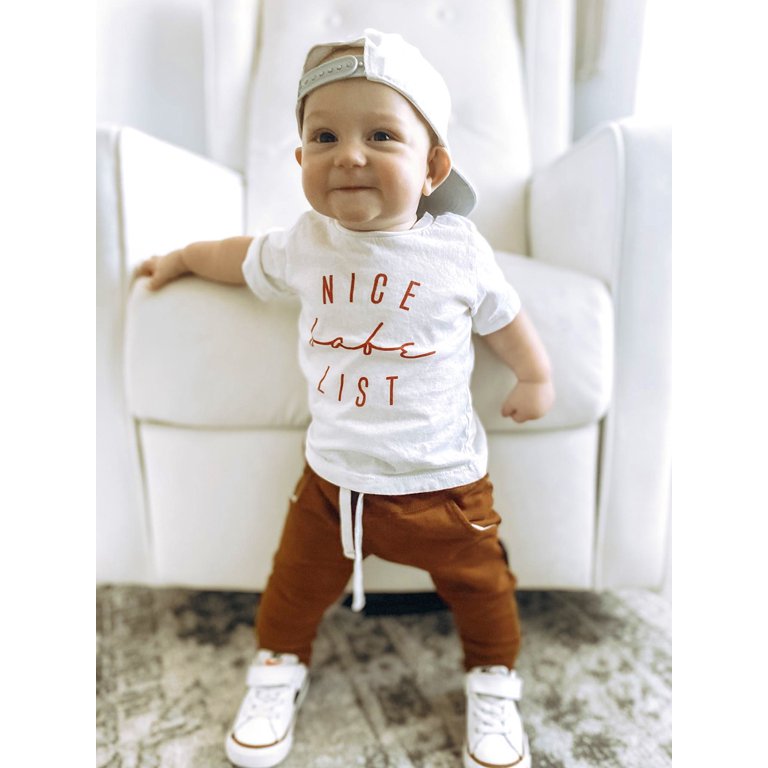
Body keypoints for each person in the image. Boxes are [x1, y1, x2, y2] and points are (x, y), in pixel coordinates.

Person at [135, 29, 554, 768]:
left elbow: (505, 319)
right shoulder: (308, 243)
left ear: (432, 167)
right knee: (291, 589)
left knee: (485, 588)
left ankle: (492, 678)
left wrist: (535, 377)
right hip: (334, 483)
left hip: (444, 483)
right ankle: (277, 666)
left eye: (381, 136)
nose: (349, 156)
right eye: (324, 136)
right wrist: (180, 258)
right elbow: (238, 256)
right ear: (300, 160)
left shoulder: (457, 249)